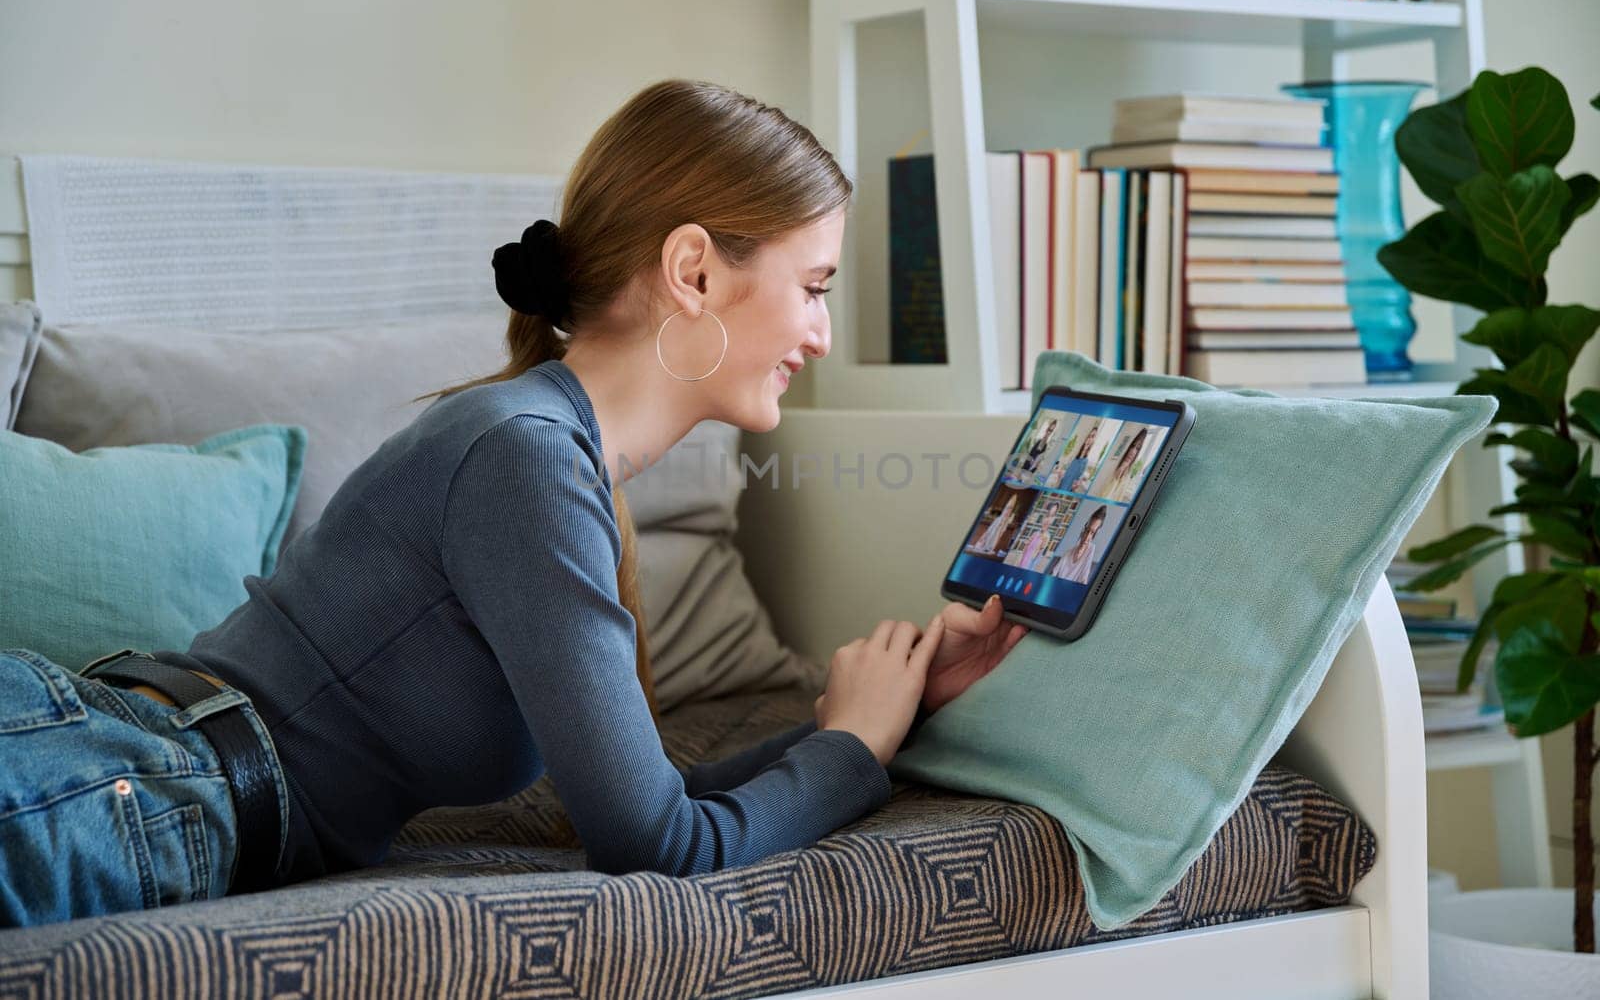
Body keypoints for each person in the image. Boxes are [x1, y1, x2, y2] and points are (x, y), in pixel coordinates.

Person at [0, 79, 1026, 929]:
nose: (820, 332)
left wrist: (880, 719)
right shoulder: (524, 461)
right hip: (108, 784)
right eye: (813, 284)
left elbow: (644, 798)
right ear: (693, 271)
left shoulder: (543, 448)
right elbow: (660, 847)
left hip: (124, 771)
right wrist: (847, 751)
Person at [1052, 505, 1108, 584]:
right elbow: (1053, 572)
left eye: (1092, 533)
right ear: (1084, 529)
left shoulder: (1091, 549)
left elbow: (1084, 579)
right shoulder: (1068, 553)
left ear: (1096, 533)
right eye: (1087, 530)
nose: (1087, 537)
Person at [1097, 428, 1150, 503]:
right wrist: (1120, 470)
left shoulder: (1127, 476)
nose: (1133, 452)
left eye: (1137, 449)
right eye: (1132, 446)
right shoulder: (1111, 467)